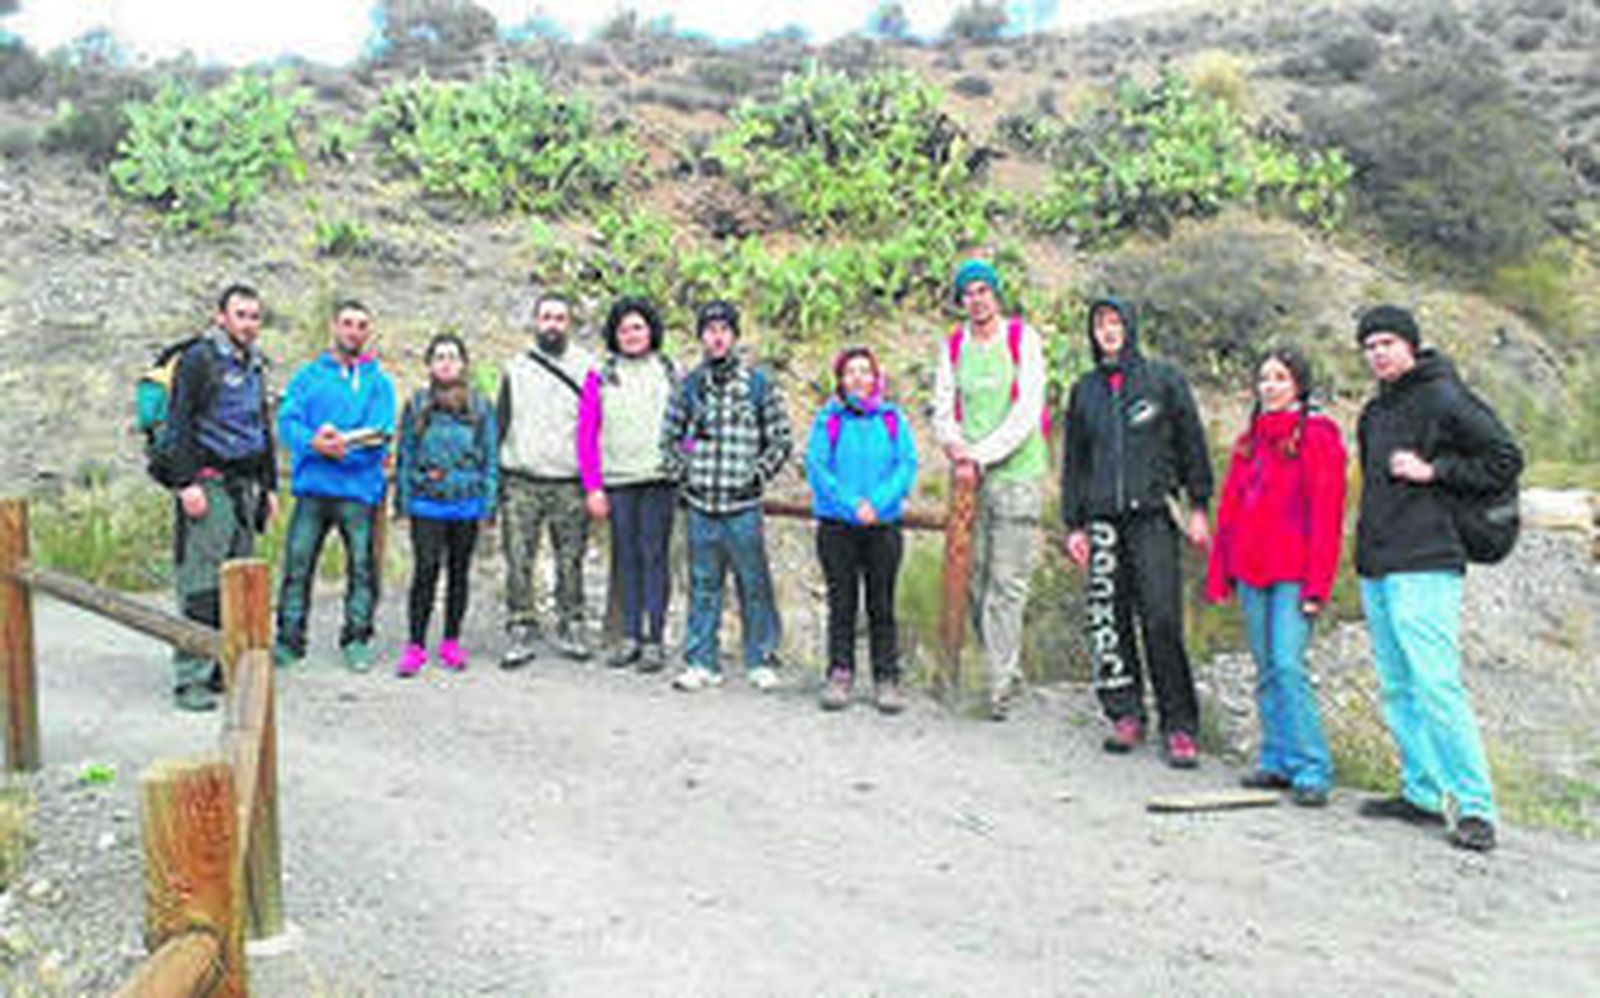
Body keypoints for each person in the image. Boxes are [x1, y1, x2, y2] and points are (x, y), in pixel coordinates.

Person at [1352, 305, 1521, 852]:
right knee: (1399, 685)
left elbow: (1505, 458)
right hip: (1379, 561)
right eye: (1369, 345)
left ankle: (1475, 807)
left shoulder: (1444, 395)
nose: (1378, 352)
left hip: (1427, 558)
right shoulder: (1374, 412)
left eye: (1387, 342)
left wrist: (1435, 471)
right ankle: (1421, 792)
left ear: (1410, 345)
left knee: (1436, 684)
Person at [1061, 297, 1213, 767]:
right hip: (1103, 520)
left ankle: (1180, 725)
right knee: (1109, 619)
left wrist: (1199, 505)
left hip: (1153, 514)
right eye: (1099, 324)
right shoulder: (1084, 390)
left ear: (1130, 325)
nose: (1108, 331)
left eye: (1114, 322)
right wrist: (1075, 524)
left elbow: (1192, 443)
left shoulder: (1163, 380)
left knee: (1161, 618)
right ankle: (1125, 714)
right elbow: (1075, 464)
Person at [1205, 346, 1345, 806]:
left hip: (1293, 573)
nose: (1270, 386)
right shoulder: (1251, 439)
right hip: (1251, 568)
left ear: (1298, 385)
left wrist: (1317, 585)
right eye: (1264, 378)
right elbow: (1230, 508)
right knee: (1265, 669)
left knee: (1288, 664)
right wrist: (1220, 569)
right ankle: (1277, 758)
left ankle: (1312, 766)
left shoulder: (1319, 436)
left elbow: (1327, 515)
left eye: (1280, 378)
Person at [931, 259, 1048, 720]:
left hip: (1016, 475)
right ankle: (996, 666)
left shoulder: (1023, 340)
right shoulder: (955, 346)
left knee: (1008, 580)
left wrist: (980, 456)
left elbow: (1027, 410)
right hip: (968, 479)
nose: (977, 299)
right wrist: (959, 450)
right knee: (973, 578)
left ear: (996, 295)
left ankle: (1000, 683)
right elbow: (943, 406)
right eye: (968, 293)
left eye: (984, 290)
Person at [660, 300, 792, 692]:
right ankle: (702, 661)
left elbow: (781, 438)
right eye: (709, 330)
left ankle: (761, 658)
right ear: (700, 336)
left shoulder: (757, 385)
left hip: (742, 504)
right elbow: (668, 439)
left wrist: (758, 474)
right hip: (701, 504)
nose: (716, 337)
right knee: (703, 584)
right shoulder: (689, 386)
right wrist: (685, 475)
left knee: (753, 583)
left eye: (723, 330)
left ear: (734, 336)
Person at [164, 284, 279, 710]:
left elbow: (262, 429)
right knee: (201, 583)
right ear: (221, 317)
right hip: (207, 482)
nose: (249, 324)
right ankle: (190, 677)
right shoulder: (199, 359)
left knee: (237, 580)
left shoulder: (254, 365)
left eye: (255, 316)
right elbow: (179, 421)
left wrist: (269, 487)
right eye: (241, 315)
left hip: (244, 485)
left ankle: (220, 668)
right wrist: (186, 483)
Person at [273, 299, 397, 672]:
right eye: (347, 323)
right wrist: (315, 442)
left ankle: (357, 638)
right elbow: (288, 423)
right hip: (313, 488)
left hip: (358, 491)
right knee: (297, 565)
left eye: (361, 325)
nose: (354, 331)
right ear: (334, 327)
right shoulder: (308, 377)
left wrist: (341, 448)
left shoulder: (379, 383)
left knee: (361, 568)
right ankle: (290, 641)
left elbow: (381, 433)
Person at [805, 346, 918, 714]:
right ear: (840, 379)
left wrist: (877, 503)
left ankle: (886, 676)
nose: (858, 378)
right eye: (850, 372)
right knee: (842, 602)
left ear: (875, 378)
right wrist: (854, 505)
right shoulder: (828, 420)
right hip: (838, 525)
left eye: (864, 372)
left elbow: (906, 465)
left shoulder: (892, 419)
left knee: (881, 603)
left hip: (882, 525)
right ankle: (840, 672)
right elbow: (818, 468)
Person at [577, 298, 678, 673]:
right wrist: (593, 486)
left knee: (655, 556)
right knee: (626, 559)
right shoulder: (600, 375)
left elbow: (685, 421)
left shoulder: (668, 371)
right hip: (618, 481)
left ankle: (655, 639)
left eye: (637, 327)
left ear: (650, 330)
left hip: (659, 478)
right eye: (623, 329)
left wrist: (679, 458)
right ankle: (630, 635)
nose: (631, 335)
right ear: (614, 335)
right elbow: (587, 433)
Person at [497, 293, 598, 666]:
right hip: (521, 477)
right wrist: (496, 480)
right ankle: (520, 625)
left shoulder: (588, 368)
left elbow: (592, 429)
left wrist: (592, 483)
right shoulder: (515, 368)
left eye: (559, 318)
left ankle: (572, 623)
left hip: (568, 479)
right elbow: (501, 422)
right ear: (535, 322)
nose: (552, 324)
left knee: (570, 558)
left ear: (569, 324)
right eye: (546, 317)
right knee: (518, 557)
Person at [393, 334, 498, 677]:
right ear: (429, 364)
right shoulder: (417, 404)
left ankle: (451, 640)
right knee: (425, 571)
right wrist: (404, 500)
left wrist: (489, 501)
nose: (446, 362)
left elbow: (491, 456)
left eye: (453, 356)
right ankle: (415, 644)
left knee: (458, 573)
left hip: (466, 500)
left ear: (464, 363)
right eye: (439, 356)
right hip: (427, 501)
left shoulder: (480, 406)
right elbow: (406, 453)